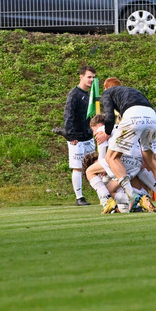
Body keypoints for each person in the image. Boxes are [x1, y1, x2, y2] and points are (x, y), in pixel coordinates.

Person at [98, 77, 156, 213]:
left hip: (133, 116)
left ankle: (131, 195)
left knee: (112, 157)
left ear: (106, 88)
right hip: (151, 116)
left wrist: (107, 132)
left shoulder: (108, 93)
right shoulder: (132, 91)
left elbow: (109, 116)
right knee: (151, 160)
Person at [61, 64, 97, 206]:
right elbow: (68, 115)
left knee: (95, 164)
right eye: (89, 77)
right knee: (77, 167)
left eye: (93, 78)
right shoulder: (74, 94)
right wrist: (70, 135)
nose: (91, 80)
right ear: (81, 77)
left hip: (88, 136)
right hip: (76, 138)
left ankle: (103, 193)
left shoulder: (89, 94)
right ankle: (79, 197)